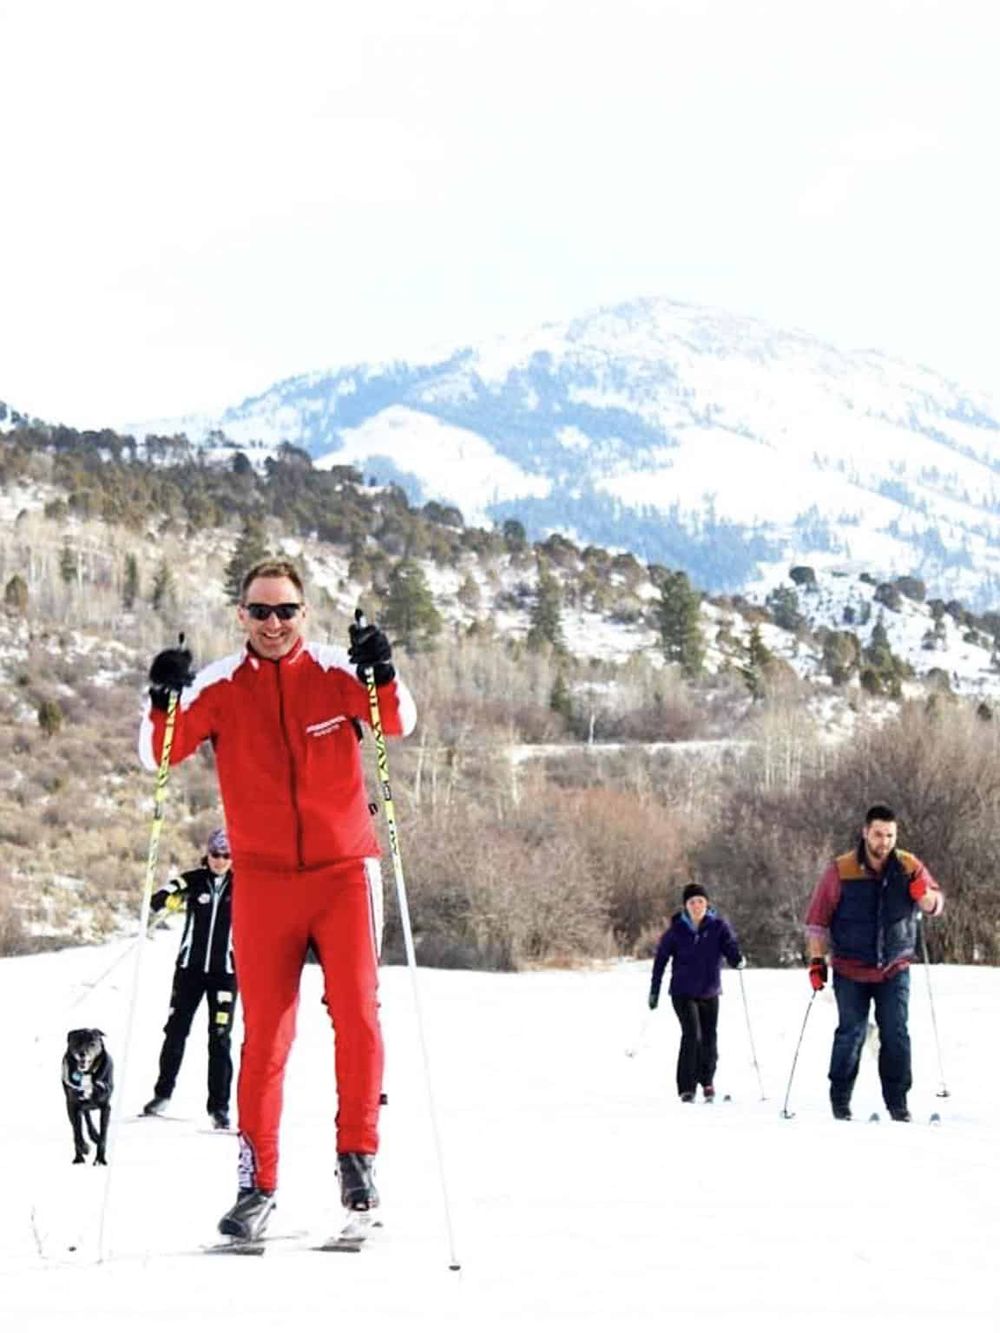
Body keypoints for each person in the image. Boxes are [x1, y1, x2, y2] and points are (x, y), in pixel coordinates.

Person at [138, 558, 416, 1241]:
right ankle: (256, 1185)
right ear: (242, 615)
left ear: (303, 613)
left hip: (344, 872)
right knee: (264, 1034)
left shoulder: (334, 670)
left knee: (357, 1015)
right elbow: (158, 753)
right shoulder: (220, 684)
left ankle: (358, 1161)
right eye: (260, 611)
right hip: (263, 882)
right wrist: (161, 695)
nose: (273, 623)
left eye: (285, 610)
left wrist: (383, 669)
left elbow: (397, 720)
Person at [804, 802, 943, 1122]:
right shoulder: (841, 870)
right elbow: (817, 921)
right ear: (865, 833)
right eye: (879, 835)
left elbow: (935, 904)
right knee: (851, 1032)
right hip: (850, 967)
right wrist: (816, 961)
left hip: (894, 966)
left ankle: (897, 1102)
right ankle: (840, 1099)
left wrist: (924, 895)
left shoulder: (909, 866)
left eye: (890, 835)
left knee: (895, 1033)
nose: (884, 842)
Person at [141, 827, 237, 1130]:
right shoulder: (194, 880)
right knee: (176, 1031)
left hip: (224, 974)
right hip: (189, 971)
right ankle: (162, 1094)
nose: (220, 860)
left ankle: (219, 1108)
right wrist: (164, 900)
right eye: (215, 854)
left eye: (226, 855)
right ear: (207, 854)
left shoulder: (244, 884)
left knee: (219, 1038)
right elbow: (168, 891)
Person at [648, 883, 744, 1103]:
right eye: (692, 902)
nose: (696, 906)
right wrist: (654, 991)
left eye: (700, 901)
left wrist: (737, 960)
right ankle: (687, 1087)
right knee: (692, 1035)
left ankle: (707, 1081)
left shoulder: (718, 926)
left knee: (709, 1038)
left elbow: (729, 947)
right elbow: (660, 960)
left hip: (710, 991)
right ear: (686, 906)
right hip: (683, 992)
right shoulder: (676, 930)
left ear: (707, 903)